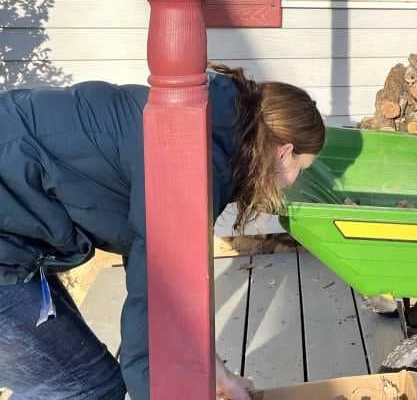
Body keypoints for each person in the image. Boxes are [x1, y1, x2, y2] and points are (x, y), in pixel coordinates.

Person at [0, 65, 326, 400]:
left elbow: (153, 257)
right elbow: (156, 301)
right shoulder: (194, 160)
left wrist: (214, 370)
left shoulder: (203, 121)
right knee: (85, 388)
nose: (292, 183)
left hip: (14, 227)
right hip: (7, 231)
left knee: (69, 381)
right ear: (283, 151)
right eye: (300, 169)